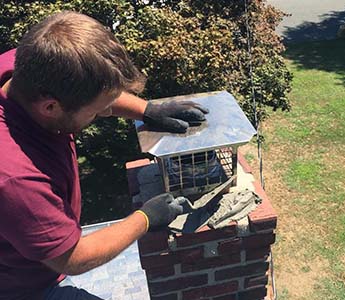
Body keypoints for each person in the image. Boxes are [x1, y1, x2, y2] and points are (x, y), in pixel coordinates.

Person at [0, 11, 208, 300]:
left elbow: (96, 93)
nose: (103, 113)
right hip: (22, 288)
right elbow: (72, 258)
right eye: (97, 111)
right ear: (50, 108)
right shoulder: (15, 177)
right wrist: (145, 218)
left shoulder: (27, 65)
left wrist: (146, 110)